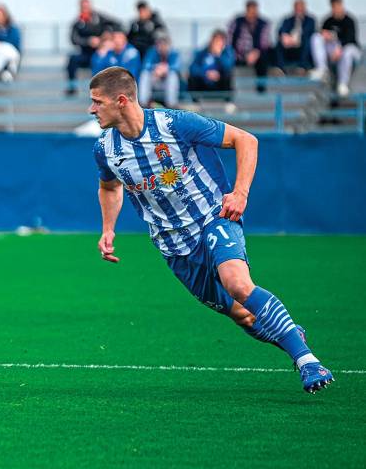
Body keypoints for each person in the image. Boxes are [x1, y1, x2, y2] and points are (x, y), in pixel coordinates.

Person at [88, 66, 333, 394]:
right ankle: (291, 337)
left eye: (96, 102)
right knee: (244, 316)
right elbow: (109, 188)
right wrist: (108, 229)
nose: (91, 109)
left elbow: (245, 140)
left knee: (238, 285)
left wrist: (240, 192)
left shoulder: (175, 124)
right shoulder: (105, 149)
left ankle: (307, 360)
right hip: (173, 247)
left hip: (213, 219)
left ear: (121, 101)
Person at [311, 0, 360, 98]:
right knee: (316, 37)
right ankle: (322, 69)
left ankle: (343, 84)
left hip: (350, 48)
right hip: (333, 49)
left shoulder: (349, 20)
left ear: (341, 5)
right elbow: (322, 33)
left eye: (338, 5)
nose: (336, 9)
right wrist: (325, 35)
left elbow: (350, 38)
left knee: (347, 52)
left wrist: (339, 48)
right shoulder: (328, 21)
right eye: (334, 6)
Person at [66, 0, 118, 95]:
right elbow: (73, 39)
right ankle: (72, 87)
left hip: (101, 53)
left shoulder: (100, 17)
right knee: (72, 59)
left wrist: (107, 34)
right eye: (83, 7)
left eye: (87, 6)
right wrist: (88, 41)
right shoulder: (77, 23)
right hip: (86, 54)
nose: (85, 9)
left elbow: (115, 24)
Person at [227, 0, 272, 93]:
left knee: (264, 60)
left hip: (257, 55)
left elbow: (265, 43)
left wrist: (256, 53)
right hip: (239, 55)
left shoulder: (263, 24)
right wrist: (240, 54)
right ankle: (229, 90)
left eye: (254, 11)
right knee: (227, 60)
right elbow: (229, 39)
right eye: (250, 11)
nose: (252, 14)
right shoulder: (237, 22)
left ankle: (261, 89)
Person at [188, 30, 235, 100]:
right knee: (192, 77)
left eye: (220, 41)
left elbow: (228, 67)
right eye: (216, 41)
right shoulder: (202, 53)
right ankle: (195, 101)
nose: (218, 44)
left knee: (228, 75)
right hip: (204, 83)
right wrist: (205, 74)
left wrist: (218, 55)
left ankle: (227, 101)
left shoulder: (227, 53)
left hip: (219, 84)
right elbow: (193, 68)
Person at [138, 33, 181, 108]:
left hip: (167, 82)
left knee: (172, 75)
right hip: (154, 80)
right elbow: (146, 65)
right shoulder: (152, 51)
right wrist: (156, 68)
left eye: (165, 44)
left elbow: (176, 66)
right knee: (145, 74)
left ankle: (172, 105)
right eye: (160, 43)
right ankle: (143, 104)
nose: (162, 46)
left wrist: (165, 69)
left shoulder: (174, 53)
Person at [275, 0, 316, 73]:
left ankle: (302, 67)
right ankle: (280, 68)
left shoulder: (310, 20)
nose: (299, 10)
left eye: (301, 7)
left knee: (307, 42)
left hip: (302, 47)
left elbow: (309, 33)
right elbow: (281, 30)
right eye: (297, 7)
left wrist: (296, 39)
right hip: (289, 47)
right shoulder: (288, 20)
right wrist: (285, 37)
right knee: (279, 44)